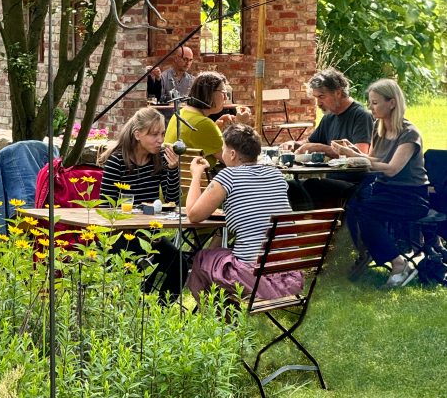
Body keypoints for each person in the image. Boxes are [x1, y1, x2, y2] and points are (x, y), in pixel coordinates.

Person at [183, 124, 301, 303]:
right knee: (220, 254)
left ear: (232, 154)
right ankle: (229, 318)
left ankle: (212, 321)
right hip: (290, 276)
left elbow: (193, 214)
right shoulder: (276, 174)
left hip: (254, 278)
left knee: (202, 258)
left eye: (223, 149)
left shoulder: (227, 176)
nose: (222, 153)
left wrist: (197, 174)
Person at [335, 79, 429, 288]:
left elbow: (393, 168)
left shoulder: (409, 133)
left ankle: (398, 262)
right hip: (385, 191)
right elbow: (376, 162)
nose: (370, 107)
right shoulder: (380, 129)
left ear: (392, 103)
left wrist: (356, 156)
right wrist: (356, 153)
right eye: (370, 102)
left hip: (410, 196)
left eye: (375, 103)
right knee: (351, 203)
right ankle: (368, 254)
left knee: (365, 210)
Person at [282, 68, 374, 210]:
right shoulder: (329, 117)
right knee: (286, 187)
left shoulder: (361, 116)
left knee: (307, 186)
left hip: (354, 184)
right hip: (331, 180)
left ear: (338, 92)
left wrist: (320, 148)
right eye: (316, 97)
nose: (318, 103)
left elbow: (362, 156)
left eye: (321, 97)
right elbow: (309, 143)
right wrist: (294, 144)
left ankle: (313, 228)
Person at [100, 107, 180, 206]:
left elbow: (174, 202)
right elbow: (105, 206)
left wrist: (173, 170)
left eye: (163, 134)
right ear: (137, 135)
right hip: (123, 220)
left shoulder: (161, 157)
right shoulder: (117, 161)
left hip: (152, 220)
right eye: (154, 134)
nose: (161, 140)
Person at [165, 71, 242, 167]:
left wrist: (215, 126)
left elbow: (198, 137)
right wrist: (241, 124)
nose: (226, 97)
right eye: (223, 92)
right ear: (209, 93)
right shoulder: (203, 124)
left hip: (178, 179)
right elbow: (235, 161)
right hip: (202, 180)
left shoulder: (180, 113)